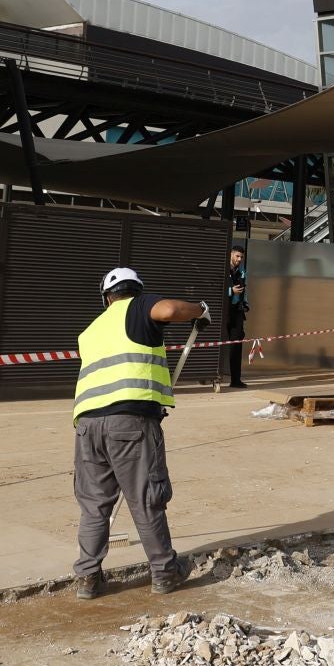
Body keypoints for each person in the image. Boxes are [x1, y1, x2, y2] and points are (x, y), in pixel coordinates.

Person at [71, 266, 209, 601]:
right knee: (147, 499)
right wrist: (200, 311)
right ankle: (165, 572)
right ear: (136, 290)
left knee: (94, 506)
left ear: (106, 297)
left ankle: (88, 578)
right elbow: (170, 310)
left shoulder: (91, 329)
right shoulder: (137, 306)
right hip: (129, 424)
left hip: (88, 426)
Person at [226, 247, 250, 389]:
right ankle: (206, 375)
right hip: (223, 311)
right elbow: (215, 287)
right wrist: (230, 291)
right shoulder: (223, 268)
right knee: (214, 346)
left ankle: (235, 380)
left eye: (241, 257)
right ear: (231, 255)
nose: (239, 259)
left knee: (236, 345)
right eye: (237, 256)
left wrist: (245, 303)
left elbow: (244, 290)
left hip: (237, 312)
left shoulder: (242, 271)